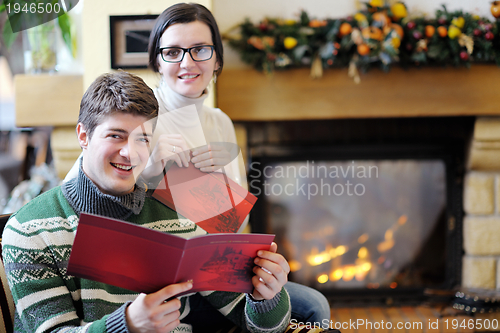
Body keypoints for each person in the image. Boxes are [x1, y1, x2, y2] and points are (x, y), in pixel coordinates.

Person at [64, 2, 330, 326]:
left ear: (217, 58)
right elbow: (77, 192)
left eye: (200, 50)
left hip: (214, 267)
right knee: (310, 307)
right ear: (157, 62)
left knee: (310, 302)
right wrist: (147, 172)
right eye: (173, 52)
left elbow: (235, 221)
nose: (187, 62)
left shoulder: (220, 123)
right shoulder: (140, 116)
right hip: (156, 277)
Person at [2, 71, 292, 333]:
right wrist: (126, 325)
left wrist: (265, 296)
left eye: (142, 139)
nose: (130, 153)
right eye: (116, 136)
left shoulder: (181, 212)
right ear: (83, 136)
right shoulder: (29, 230)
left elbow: (258, 324)